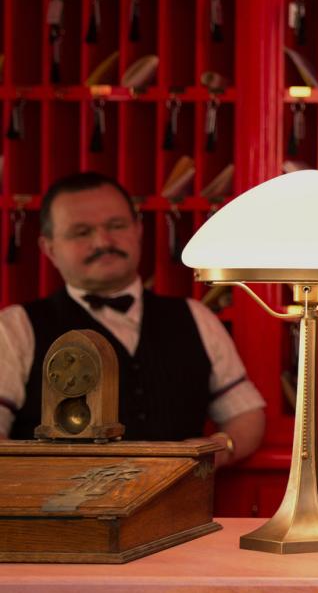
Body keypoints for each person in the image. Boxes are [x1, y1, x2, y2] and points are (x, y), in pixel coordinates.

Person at [0, 171, 265, 463]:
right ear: (49, 248)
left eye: (116, 226)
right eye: (81, 232)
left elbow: (246, 412)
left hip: (179, 493)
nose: (102, 242)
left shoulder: (196, 316)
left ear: (138, 229)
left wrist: (218, 450)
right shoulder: (14, 328)